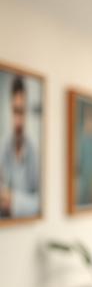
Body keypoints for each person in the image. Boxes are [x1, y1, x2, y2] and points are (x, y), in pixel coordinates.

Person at [0, 75, 39, 218]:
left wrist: (13, 200)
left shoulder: (34, 151)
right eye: (15, 111)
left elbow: (41, 202)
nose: (18, 120)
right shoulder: (3, 148)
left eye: (22, 112)